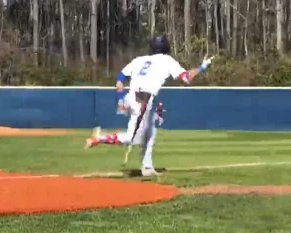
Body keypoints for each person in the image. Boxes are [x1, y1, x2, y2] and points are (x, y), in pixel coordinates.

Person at [84, 35, 215, 177]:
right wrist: (202, 67)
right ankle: (99, 138)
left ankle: (147, 166)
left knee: (150, 131)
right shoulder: (167, 60)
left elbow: (121, 76)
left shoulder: (139, 59)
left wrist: (120, 89)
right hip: (143, 100)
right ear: (166, 47)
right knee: (131, 139)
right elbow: (186, 78)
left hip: (132, 97)